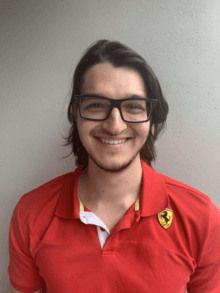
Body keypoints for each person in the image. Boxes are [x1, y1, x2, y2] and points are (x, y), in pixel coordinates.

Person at [8, 40, 220, 293]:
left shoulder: (201, 218)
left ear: (151, 117)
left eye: (133, 106)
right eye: (97, 105)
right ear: (76, 113)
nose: (115, 125)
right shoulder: (30, 213)